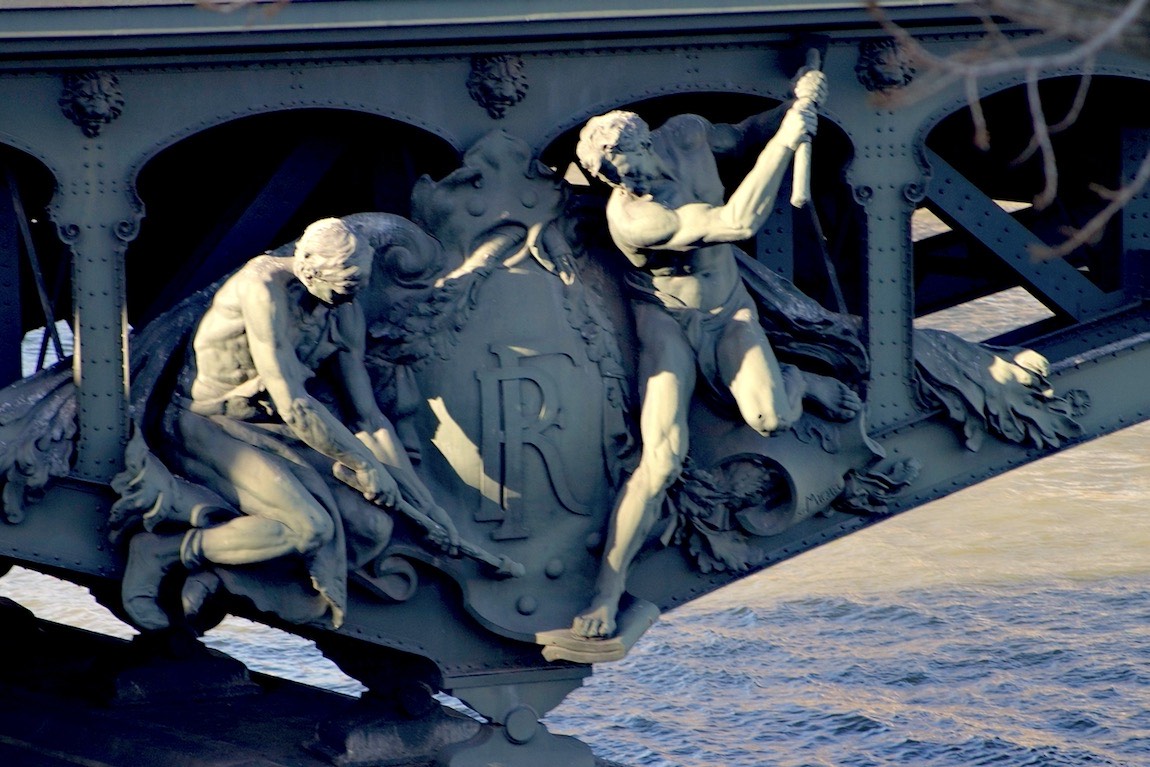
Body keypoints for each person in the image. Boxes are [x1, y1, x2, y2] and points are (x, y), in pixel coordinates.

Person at [571, 69, 861, 639]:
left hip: (730, 311)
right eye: (612, 179)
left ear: (646, 144)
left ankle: (800, 383)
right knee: (661, 460)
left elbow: (747, 134)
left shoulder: (688, 136)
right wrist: (787, 142)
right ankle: (606, 593)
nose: (626, 184)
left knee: (771, 416)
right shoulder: (633, 217)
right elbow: (738, 221)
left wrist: (794, 110)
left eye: (627, 170)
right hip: (668, 325)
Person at [122, 217, 458, 630]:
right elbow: (294, 402)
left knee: (371, 528)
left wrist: (427, 506)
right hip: (203, 424)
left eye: (358, 286)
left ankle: (229, 573)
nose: (349, 298)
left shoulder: (342, 310)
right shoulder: (262, 289)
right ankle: (160, 552)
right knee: (309, 528)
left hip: (272, 431)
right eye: (343, 287)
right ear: (309, 270)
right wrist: (365, 465)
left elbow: (368, 417)